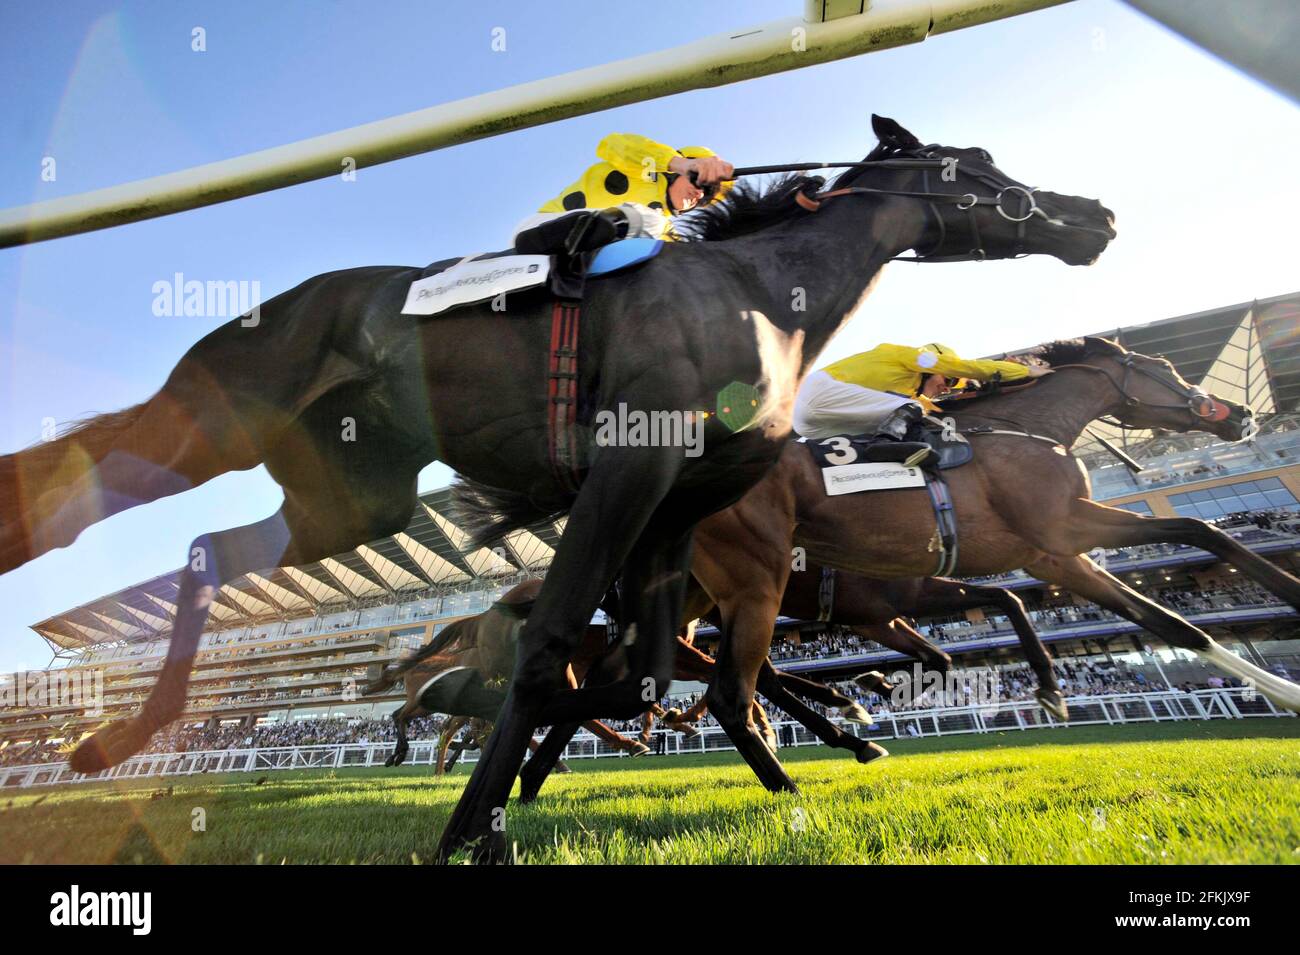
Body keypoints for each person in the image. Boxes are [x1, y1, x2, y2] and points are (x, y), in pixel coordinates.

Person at [793, 342, 1051, 466]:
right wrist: (1024, 372)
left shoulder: (908, 394)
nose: (946, 388)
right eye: (947, 380)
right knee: (915, 411)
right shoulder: (913, 358)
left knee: (920, 413)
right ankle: (883, 446)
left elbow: (939, 409)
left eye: (952, 386)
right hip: (819, 392)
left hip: (808, 425)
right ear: (935, 365)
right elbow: (966, 368)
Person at [512, 133, 735, 255]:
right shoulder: (643, 170)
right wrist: (680, 163)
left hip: (591, 265)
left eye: (706, 196)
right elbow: (611, 144)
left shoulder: (666, 231)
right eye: (700, 181)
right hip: (540, 229)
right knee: (651, 222)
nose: (699, 193)